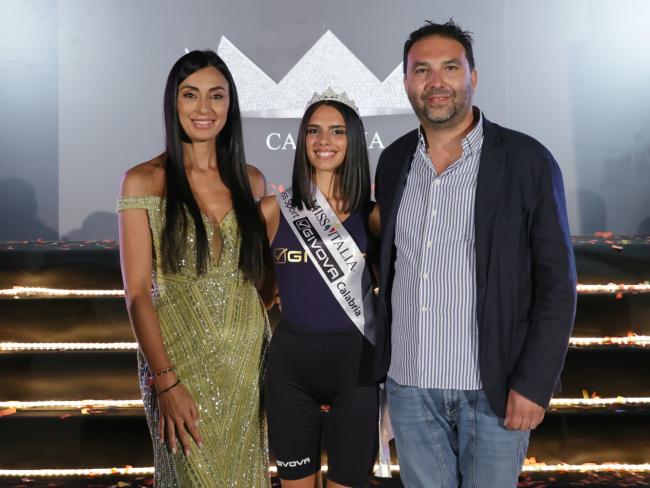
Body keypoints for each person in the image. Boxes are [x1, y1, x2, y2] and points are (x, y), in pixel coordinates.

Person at [372, 20, 577, 487]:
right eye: (421, 70)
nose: (436, 82)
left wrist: (535, 383)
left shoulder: (526, 161)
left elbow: (557, 284)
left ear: (473, 77)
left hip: (494, 389)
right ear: (406, 82)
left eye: (450, 68)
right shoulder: (394, 160)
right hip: (410, 387)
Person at [117, 50, 271, 487]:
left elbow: (259, 280)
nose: (204, 108)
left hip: (246, 364)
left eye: (216, 96)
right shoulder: (143, 180)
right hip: (178, 361)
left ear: (230, 105)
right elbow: (137, 293)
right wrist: (166, 382)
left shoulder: (251, 180)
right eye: (191, 95)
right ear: (174, 102)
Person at [260, 89, 380, 488]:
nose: (323, 140)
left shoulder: (373, 216)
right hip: (291, 368)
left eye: (337, 131)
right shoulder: (273, 211)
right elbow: (258, 289)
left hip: (356, 368)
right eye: (313, 130)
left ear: (353, 140)